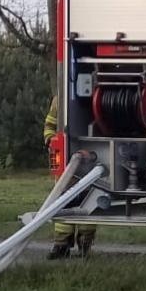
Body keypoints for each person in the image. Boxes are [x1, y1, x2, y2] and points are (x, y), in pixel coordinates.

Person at [43, 94, 94, 259]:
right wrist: (51, 139)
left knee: (89, 201)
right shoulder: (59, 99)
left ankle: (85, 244)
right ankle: (61, 244)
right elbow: (50, 124)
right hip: (65, 157)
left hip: (90, 158)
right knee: (62, 199)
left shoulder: (92, 96)